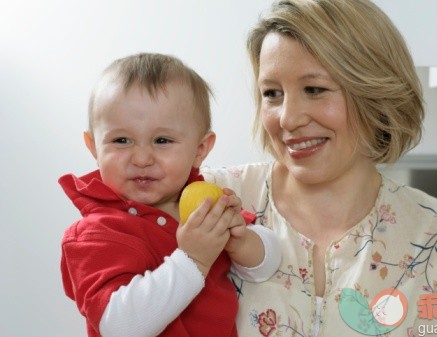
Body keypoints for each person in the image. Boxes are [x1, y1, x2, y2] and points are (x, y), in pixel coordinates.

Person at [202, 0, 437, 336]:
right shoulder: (212, 200)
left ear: (373, 92)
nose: (288, 119)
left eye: (315, 89)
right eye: (272, 93)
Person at [59, 53, 281, 337]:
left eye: (162, 140)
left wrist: (241, 240)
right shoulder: (94, 234)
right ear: (93, 147)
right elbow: (119, 327)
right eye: (121, 140)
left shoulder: (202, 204)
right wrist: (194, 259)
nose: (141, 158)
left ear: (200, 149)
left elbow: (266, 266)